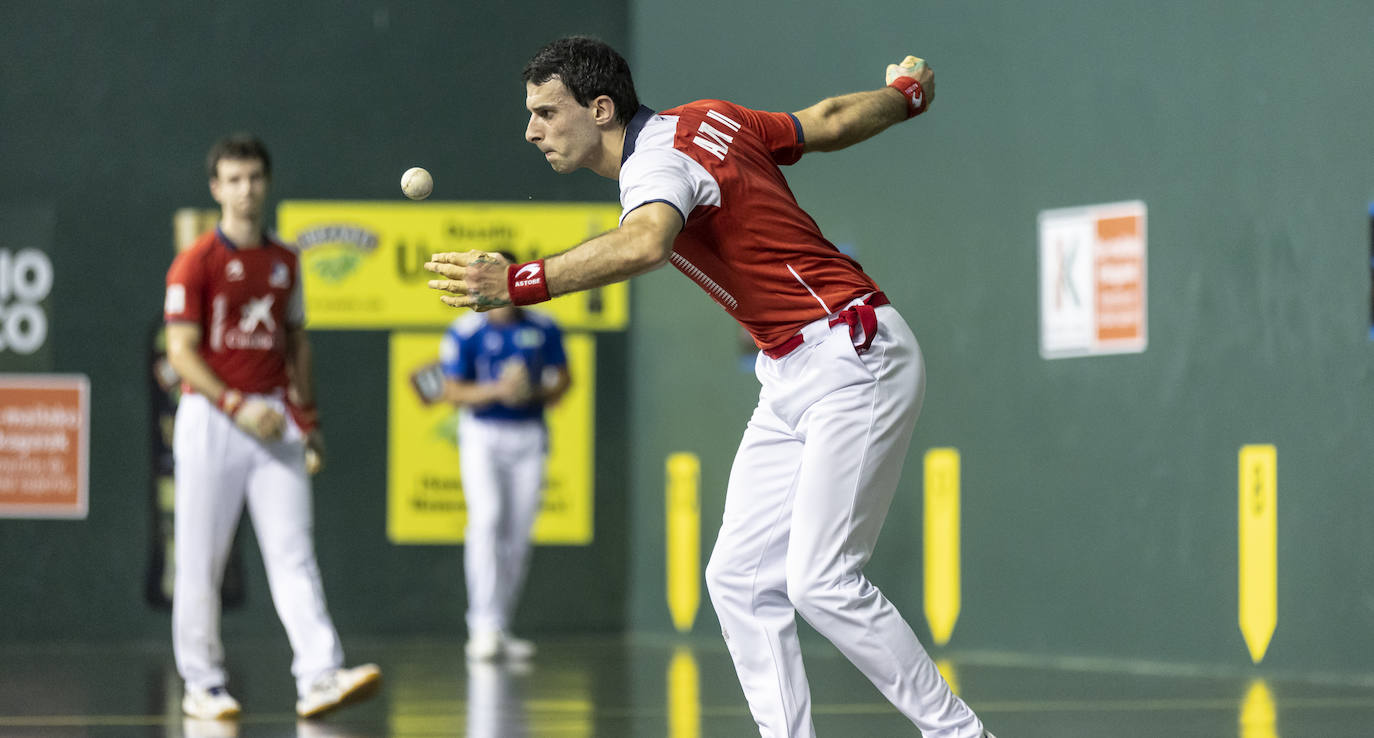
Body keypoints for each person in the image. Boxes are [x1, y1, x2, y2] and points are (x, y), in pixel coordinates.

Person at [426, 37, 994, 738]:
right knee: (739, 579)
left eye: (546, 111)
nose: (531, 129)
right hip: (792, 368)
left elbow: (644, 244)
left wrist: (516, 282)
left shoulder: (656, 165)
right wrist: (906, 96)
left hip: (852, 354)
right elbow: (830, 120)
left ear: (601, 109)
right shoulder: (708, 119)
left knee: (821, 581)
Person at [164, 134, 381, 720]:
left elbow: (295, 341)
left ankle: (319, 676)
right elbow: (181, 352)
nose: (245, 189)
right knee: (201, 559)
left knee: (294, 555)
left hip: (275, 422)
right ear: (216, 189)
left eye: (254, 177)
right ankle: (203, 684)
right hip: (213, 419)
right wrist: (236, 406)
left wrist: (304, 418)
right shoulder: (196, 262)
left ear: (267, 182)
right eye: (233, 180)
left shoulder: (286, 260)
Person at [438, 258, 572, 661]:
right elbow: (452, 391)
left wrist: (533, 390)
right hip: (482, 435)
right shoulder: (466, 331)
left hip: (529, 436)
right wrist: (498, 390)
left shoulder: (543, 327)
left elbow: (563, 378)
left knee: (517, 536)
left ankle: (499, 625)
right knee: (487, 519)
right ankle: (481, 626)